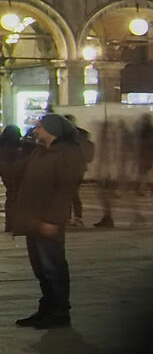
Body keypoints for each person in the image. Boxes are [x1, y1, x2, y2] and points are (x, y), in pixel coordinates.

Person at [0, 113, 88, 327]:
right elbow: (14, 173)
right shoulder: (40, 152)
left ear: (52, 130)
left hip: (48, 221)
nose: (35, 130)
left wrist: (53, 220)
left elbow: (65, 191)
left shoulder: (68, 154)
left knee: (53, 267)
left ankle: (60, 312)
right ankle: (47, 308)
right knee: (40, 268)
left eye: (39, 127)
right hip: (33, 219)